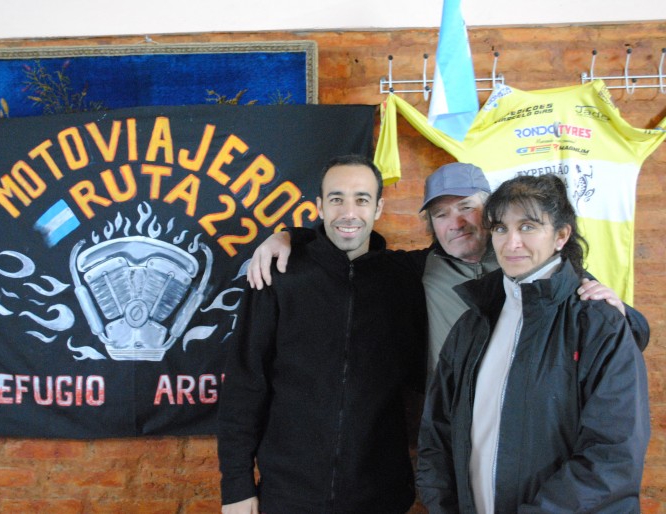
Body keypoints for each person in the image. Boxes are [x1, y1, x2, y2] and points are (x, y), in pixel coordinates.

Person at [246, 162, 649, 377]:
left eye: (466, 207)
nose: (455, 222)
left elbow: (632, 333)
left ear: (490, 211)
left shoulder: (526, 261)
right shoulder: (415, 268)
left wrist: (620, 310)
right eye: (440, 214)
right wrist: (290, 236)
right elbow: (345, 250)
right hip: (446, 420)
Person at [417, 174, 650, 513]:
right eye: (501, 228)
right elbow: (437, 435)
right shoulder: (472, 325)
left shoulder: (598, 321)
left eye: (528, 227)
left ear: (561, 235)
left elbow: (612, 456)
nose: (512, 243)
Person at [217, 154, 427, 514]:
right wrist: (236, 486)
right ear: (319, 206)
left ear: (378, 208)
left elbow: (465, 247)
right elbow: (245, 382)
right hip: (288, 494)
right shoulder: (278, 272)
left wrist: (289, 234)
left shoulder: (404, 277)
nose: (349, 212)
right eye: (336, 199)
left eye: (362, 199)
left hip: (381, 495)